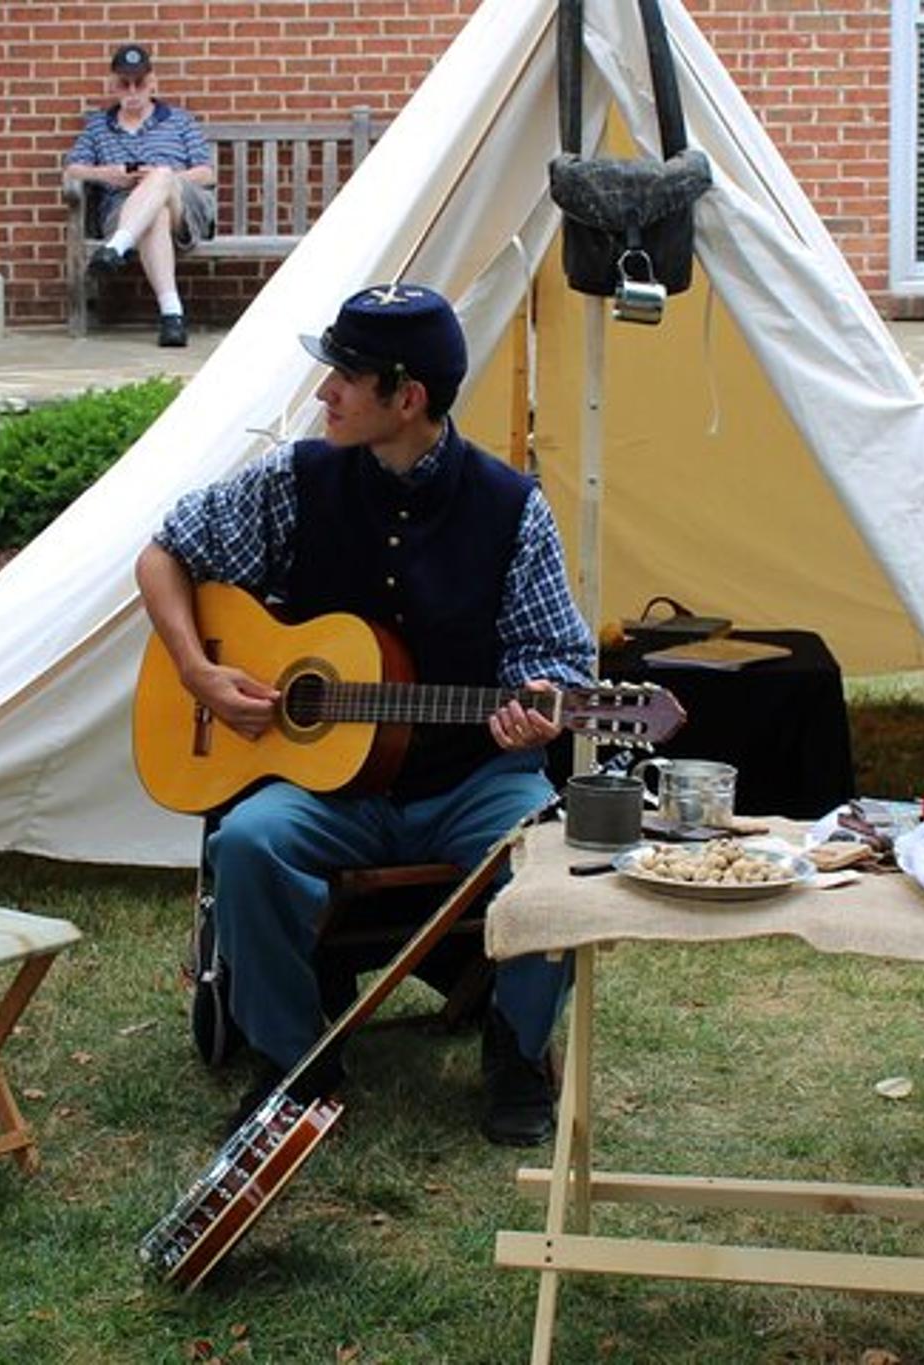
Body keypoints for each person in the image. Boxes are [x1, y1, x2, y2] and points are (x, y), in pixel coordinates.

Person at [135, 283, 596, 1146]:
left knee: (551, 857)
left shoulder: (510, 507)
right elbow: (163, 554)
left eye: (344, 377)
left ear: (406, 396)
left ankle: (517, 1049)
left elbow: (557, 660)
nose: (325, 392)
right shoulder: (296, 478)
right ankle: (295, 1062)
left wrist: (541, 706)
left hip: (469, 781)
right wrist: (199, 671)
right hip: (329, 789)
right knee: (248, 842)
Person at [64, 43, 216, 348]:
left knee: (161, 176)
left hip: (183, 207)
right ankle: (172, 316)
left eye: (140, 82)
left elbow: (206, 173)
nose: (132, 90)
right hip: (124, 210)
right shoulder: (98, 126)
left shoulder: (179, 120)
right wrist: (107, 174)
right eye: (124, 83)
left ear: (153, 83)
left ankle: (116, 248)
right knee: (154, 215)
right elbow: (72, 169)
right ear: (113, 84)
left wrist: (165, 180)